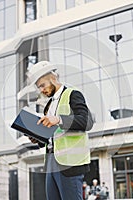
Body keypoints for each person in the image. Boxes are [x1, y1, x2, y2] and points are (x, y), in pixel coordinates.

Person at [26, 61, 94, 200]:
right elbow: (53, 138)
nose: (42, 90)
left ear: (53, 78)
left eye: (42, 85)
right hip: (51, 163)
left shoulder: (72, 94)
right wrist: (38, 138)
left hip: (69, 165)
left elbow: (87, 122)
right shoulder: (48, 106)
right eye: (39, 88)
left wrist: (59, 119)